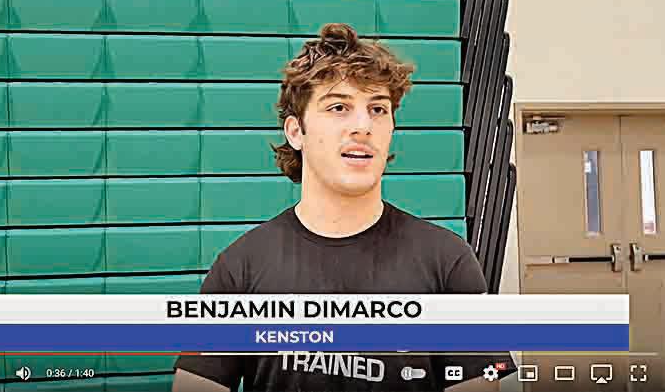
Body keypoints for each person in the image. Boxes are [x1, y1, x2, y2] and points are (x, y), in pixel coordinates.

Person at [173, 23, 517, 392]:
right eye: (339, 107)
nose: (363, 126)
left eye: (378, 109)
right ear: (296, 131)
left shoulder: (446, 261)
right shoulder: (240, 267)